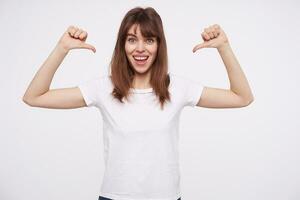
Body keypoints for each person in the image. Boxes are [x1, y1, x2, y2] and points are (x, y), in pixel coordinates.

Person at [22, 6, 254, 200]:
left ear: (159, 45)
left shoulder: (179, 88)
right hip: (115, 197)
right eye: (132, 40)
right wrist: (61, 49)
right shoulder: (103, 88)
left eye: (149, 40)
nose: (140, 48)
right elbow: (34, 96)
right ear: (123, 45)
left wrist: (224, 47)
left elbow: (242, 97)